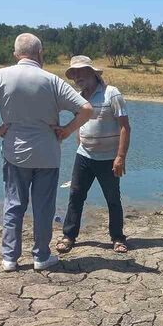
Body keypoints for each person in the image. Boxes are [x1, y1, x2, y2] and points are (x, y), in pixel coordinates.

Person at [0, 33, 93, 272]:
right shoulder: (52, 81)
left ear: (15, 54)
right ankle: (41, 256)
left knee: (14, 204)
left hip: (15, 152)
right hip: (47, 154)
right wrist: (65, 130)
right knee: (44, 208)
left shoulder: (1, 76)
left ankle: (10, 258)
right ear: (40, 53)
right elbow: (85, 109)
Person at [56, 55, 131, 254]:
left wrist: (120, 157)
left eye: (81, 71)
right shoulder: (77, 96)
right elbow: (79, 122)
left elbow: (125, 127)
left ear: (92, 73)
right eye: (74, 73)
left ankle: (117, 238)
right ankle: (69, 236)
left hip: (109, 159)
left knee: (113, 199)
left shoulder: (111, 93)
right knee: (76, 196)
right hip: (84, 156)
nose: (77, 76)